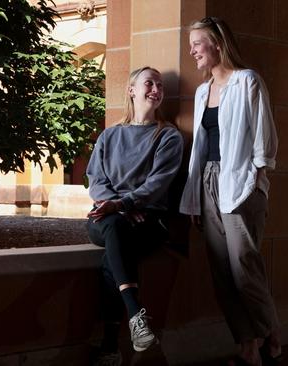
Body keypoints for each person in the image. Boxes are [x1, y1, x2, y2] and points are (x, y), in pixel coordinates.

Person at [179, 17, 282, 366]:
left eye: (197, 43)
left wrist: (255, 180)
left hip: (241, 184)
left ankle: (271, 331)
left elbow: (264, 140)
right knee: (222, 273)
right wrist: (195, 196)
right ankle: (248, 348)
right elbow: (200, 147)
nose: (191, 50)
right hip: (208, 182)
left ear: (217, 44)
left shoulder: (247, 81)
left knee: (243, 266)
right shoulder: (202, 91)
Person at [86, 66, 184, 365]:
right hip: (107, 216)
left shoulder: (168, 137)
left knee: (112, 257)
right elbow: (96, 179)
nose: (156, 89)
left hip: (149, 221)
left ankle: (110, 346)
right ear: (131, 90)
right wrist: (117, 206)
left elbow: (157, 184)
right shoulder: (110, 136)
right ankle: (135, 315)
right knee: (115, 227)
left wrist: (123, 205)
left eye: (160, 86)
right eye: (149, 83)